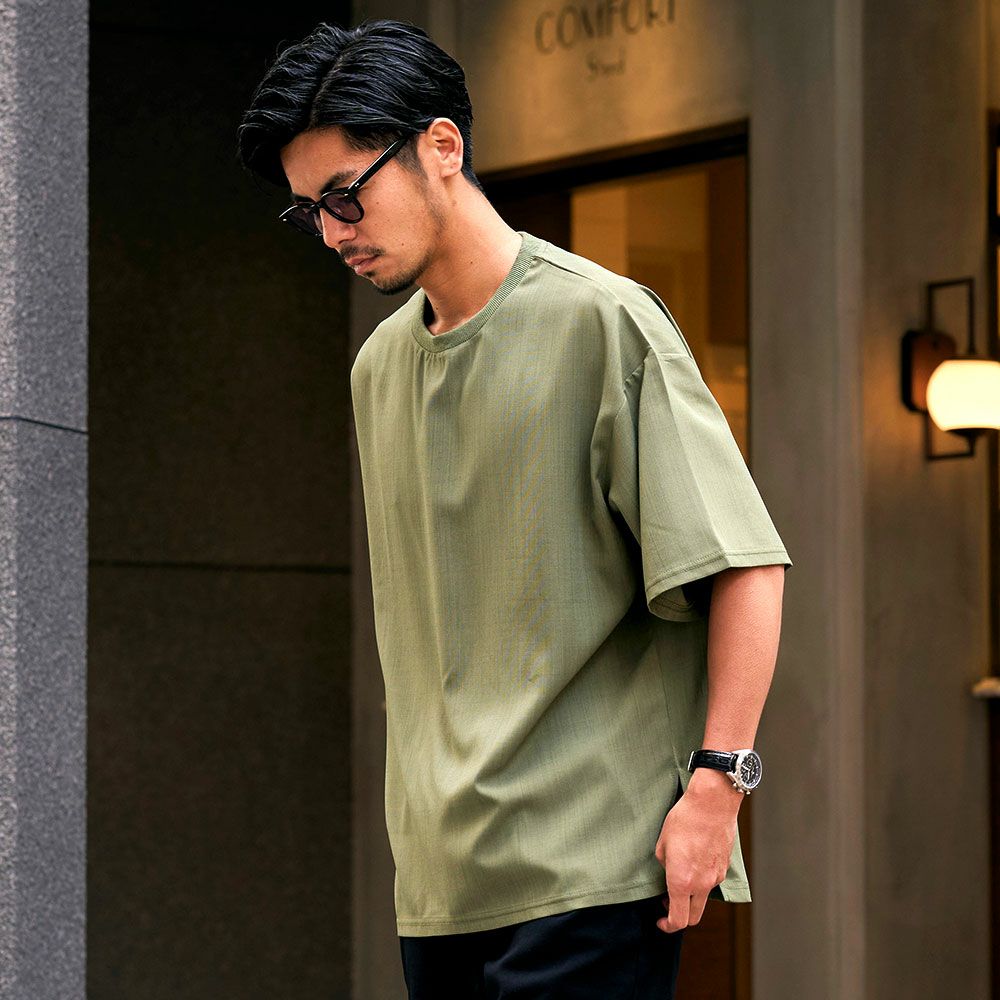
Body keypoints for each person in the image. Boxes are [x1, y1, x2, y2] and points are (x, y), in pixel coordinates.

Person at [236, 17, 791, 999]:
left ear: (443, 147)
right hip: (441, 880)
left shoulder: (602, 321)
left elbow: (744, 564)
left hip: (594, 863)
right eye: (307, 211)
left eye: (346, 196)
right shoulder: (378, 367)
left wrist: (717, 787)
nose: (331, 232)